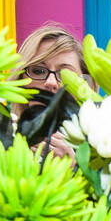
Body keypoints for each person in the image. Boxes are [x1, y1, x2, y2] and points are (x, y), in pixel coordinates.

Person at [14, 23, 86, 160]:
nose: (51, 82)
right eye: (38, 71)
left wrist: (75, 168)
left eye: (65, 74)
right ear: (20, 77)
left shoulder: (103, 145)